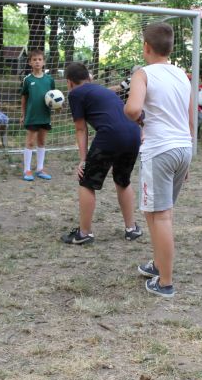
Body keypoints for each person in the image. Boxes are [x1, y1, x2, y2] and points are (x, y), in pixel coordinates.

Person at [125, 22, 193, 298]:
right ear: (170, 48)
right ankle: (158, 264)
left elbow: (132, 109)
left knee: (160, 215)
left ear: (146, 47)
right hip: (183, 148)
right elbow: (189, 117)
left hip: (159, 150)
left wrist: (138, 117)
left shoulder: (143, 74)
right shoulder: (182, 75)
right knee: (157, 211)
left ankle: (165, 282)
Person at [61, 62, 142, 245]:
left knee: (87, 182)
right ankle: (131, 229)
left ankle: (84, 233)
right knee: (123, 180)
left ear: (69, 82)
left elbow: (80, 129)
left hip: (110, 135)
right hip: (133, 133)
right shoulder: (102, 90)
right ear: (88, 78)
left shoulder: (75, 93)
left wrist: (83, 160)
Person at [20, 49, 55, 181]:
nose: (37, 62)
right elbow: (24, 98)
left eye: (40, 59)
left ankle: (40, 169)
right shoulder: (27, 80)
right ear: (30, 63)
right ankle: (27, 170)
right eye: (34, 60)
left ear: (44, 62)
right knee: (30, 142)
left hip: (45, 115)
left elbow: (54, 97)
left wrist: (57, 107)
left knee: (42, 141)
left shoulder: (49, 80)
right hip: (32, 116)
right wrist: (23, 114)